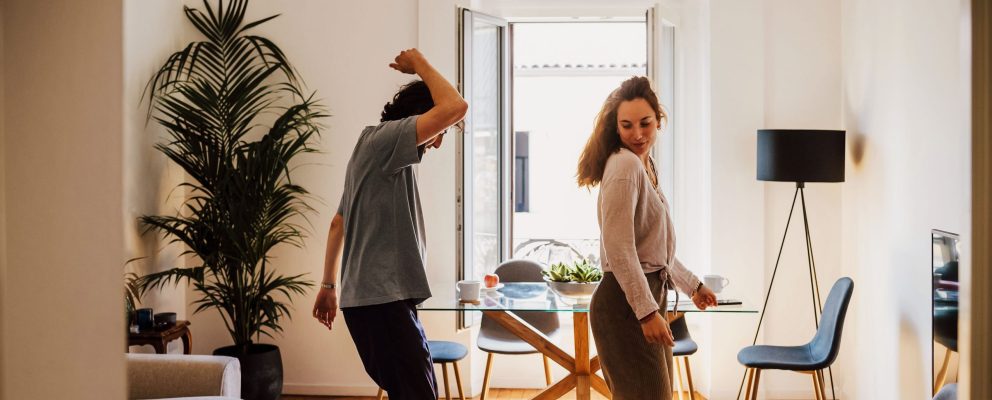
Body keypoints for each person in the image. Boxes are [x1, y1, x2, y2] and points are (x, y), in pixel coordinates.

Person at [312, 48, 467, 399]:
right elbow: (456, 106)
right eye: (440, 130)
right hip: (382, 303)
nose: (439, 141)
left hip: (373, 304)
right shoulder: (387, 139)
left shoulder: (370, 148)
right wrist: (420, 64)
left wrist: (328, 286)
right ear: (421, 115)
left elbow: (339, 221)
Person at [577, 76, 718, 399]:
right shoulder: (624, 165)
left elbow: (654, 251)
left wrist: (692, 285)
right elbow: (620, 249)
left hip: (645, 299)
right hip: (625, 306)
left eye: (645, 123)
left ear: (659, 120)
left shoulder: (644, 164)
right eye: (627, 126)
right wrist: (646, 312)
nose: (638, 134)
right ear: (616, 127)